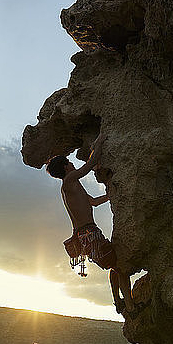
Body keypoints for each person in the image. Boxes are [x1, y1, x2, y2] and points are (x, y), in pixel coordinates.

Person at [46, 133, 134, 314]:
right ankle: (130, 306)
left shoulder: (72, 186)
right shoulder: (69, 181)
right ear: (65, 167)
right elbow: (89, 165)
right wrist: (98, 143)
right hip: (89, 234)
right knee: (121, 267)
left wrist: (111, 196)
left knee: (115, 265)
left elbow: (93, 201)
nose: (72, 164)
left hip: (87, 234)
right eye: (69, 163)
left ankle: (118, 301)